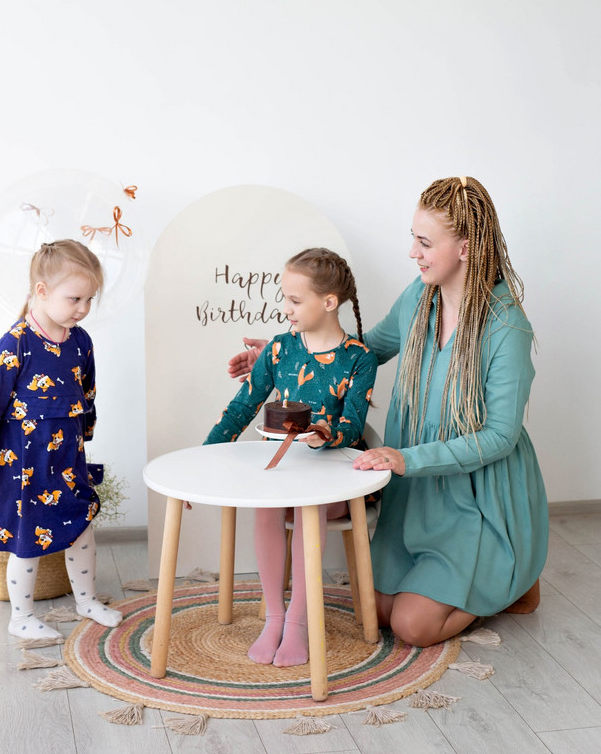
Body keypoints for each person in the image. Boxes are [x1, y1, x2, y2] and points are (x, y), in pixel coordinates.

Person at [229, 177, 548, 648]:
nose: (412, 252)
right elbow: (362, 353)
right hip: (415, 495)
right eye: (413, 239)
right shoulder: (419, 296)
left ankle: (510, 581)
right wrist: (289, 356)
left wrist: (404, 458)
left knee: (412, 627)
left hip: (474, 497)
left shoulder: (507, 327)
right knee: (373, 612)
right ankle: (469, 582)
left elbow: (500, 435)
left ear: (465, 247)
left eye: (424, 243)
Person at [205, 248, 377, 666]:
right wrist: (205, 458)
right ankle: (275, 618)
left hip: (334, 480)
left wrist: (325, 435)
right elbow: (242, 408)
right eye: (285, 298)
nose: (285, 309)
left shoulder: (359, 357)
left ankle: (299, 623)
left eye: (295, 300)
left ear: (329, 302)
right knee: (266, 506)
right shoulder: (280, 350)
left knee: (306, 507)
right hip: (282, 472)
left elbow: (354, 425)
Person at [0, 240, 122, 640]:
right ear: (42, 291)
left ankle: (86, 600)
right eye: (75, 299)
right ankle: (21, 617)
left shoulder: (79, 341)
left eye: (89, 299)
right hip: (23, 466)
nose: (83, 308)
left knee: (81, 528)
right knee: (26, 541)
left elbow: (87, 392)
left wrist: (85, 433)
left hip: (67, 459)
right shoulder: (15, 344)